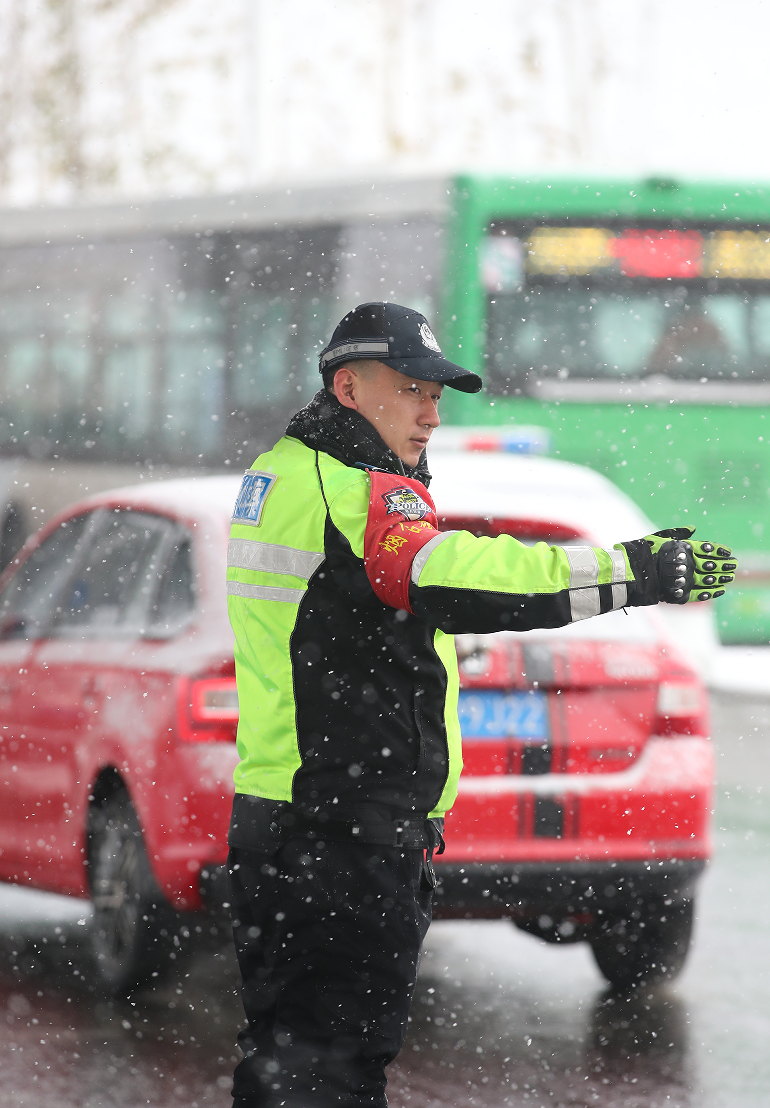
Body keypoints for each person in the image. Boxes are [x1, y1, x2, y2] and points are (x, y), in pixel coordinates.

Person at [225, 301, 737, 1107]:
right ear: (349, 386)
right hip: (342, 824)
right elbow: (453, 575)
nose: (433, 416)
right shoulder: (359, 493)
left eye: (439, 395)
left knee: (292, 1060)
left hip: (289, 811)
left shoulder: (279, 471)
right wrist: (627, 572)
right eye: (413, 391)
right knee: (334, 1071)